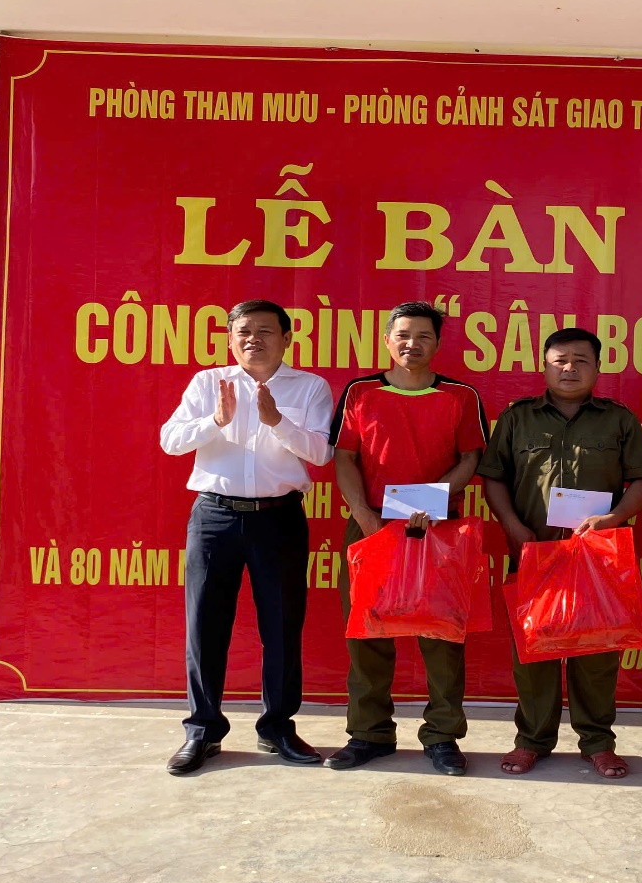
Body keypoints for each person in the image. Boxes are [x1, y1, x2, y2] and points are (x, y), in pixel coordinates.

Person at [159, 299, 334, 775]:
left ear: (287, 338)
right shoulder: (208, 383)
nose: (253, 339)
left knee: (281, 625)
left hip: (278, 518)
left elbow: (321, 453)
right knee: (205, 625)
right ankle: (203, 730)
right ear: (231, 339)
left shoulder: (310, 387)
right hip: (214, 516)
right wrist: (214, 421)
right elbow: (170, 440)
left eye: (265, 330)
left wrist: (278, 420)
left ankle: (277, 727)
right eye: (244, 331)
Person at [478, 328, 642, 780]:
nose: (570, 368)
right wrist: (512, 527)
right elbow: (494, 477)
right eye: (560, 360)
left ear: (597, 368)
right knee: (534, 652)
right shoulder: (517, 418)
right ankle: (531, 740)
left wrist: (614, 517)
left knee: (596, 654)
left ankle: (597, 742)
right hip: (534, 551)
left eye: (581, 360)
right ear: (544, 366)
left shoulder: (618, 420)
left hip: (596, 554)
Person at [326, 301, 488, 776]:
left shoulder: (460, 395)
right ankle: (369, 733)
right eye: (402, 335)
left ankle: (442, 736)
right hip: (372, 525)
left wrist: (435, 501)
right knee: (368, 632)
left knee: (442, 635)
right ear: (386, 340)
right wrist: (365, 516)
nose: (411, 344)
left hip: (438, 527)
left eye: (423, 336)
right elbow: (344, 457)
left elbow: (470, 458)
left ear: (437, 344)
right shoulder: (361, 392)